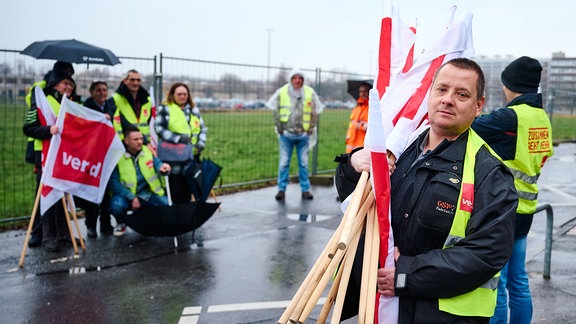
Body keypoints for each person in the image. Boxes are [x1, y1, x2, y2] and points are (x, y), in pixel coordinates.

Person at [335, 58, 517, 323]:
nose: (448, 99)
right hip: (384, 308)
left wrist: (406, 272)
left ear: (479, 106)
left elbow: (488, 252)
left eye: (462, 94)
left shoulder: (489, 173)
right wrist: (352, 166)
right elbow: (358, 203)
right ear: (430, 94)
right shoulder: (401, 148)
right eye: (441, 90)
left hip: (444, 316)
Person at [471, 56, 553, 324]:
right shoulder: (541, 118)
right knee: (518, 279)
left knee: (496, 282)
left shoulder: (510, 117)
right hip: (526, 208)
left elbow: (466, 125)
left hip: (502, 209)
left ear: (510, 85)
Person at [23, 71, 81, 252]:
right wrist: (49, 130)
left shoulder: (71, 103)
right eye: (65, 83)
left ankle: (64, 235)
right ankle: (46, 236)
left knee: (63, 195)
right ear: (55, 84)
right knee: (48, 194)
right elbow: (29, 128)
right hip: (45, 155)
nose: (68, 87)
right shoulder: (41, 101)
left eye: (71, 84)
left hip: (64, 156)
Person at [266, 68, 323, 201]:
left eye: (300, 78)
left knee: (303, 164)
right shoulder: (283, 92)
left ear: (303, 80)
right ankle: (281, 189)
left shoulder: (309, 92)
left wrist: (310, 129)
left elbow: (315, 112)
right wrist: (280, 128)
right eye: (295, 78)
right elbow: (275, 110)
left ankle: (305, 190)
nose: (297, 80)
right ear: (291, 80)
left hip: (303, 135)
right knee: (284, 163)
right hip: (286, 135)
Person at [108, 125, 171, 236]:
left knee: (167, 205)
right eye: (135, 139)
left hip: (146, 193)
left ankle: (147, 219)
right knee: (116, 206)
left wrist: (163, 167)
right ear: (126, 141)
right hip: (126, 195)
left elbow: (157, 163)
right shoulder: (117, 157)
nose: (140, 142)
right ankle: (121, 222)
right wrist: (132, 198)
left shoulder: (146, 151)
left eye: (141, 138)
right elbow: (113, 183)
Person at [155, 82, 207, 203]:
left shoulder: (193, 110)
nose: (182, 96)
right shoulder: (165, 108)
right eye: (179, 94)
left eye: (184, 94)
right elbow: (159, 128)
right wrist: (177, 138)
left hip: (191, 155)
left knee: (188, 187)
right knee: (175, 187)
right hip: (173, 156)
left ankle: (186, 213)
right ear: (173, 95)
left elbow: (202, 128)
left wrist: (201, 142)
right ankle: (175, 213)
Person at [75, 81, 115, 238]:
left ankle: (105, 223)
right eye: (98, 90)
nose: (102, 93)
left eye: (105, 90)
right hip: (90, 155)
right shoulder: (85, 108)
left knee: (106, 191)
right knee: (92, 191)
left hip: (106, 154)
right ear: (91, 92)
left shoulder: (110, 107)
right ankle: (90, 225)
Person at [110, 70, 153, 143]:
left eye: (138, 80)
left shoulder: (148, 100)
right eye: (132, 80)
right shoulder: (115, 99)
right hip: (125, 143)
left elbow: (151, 122)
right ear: (125, 81)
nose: (135, 83)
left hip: (145, 143)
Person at [345, 81, 372, 153]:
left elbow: (371, 127)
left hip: (363, 146)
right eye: (361, 91)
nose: (362, 93)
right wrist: (348, 139)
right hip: (351, 145)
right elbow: (350, 126)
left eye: (365, 91)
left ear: (370, 92)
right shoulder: (356, 109)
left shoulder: (372, 109)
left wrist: (360, 126)